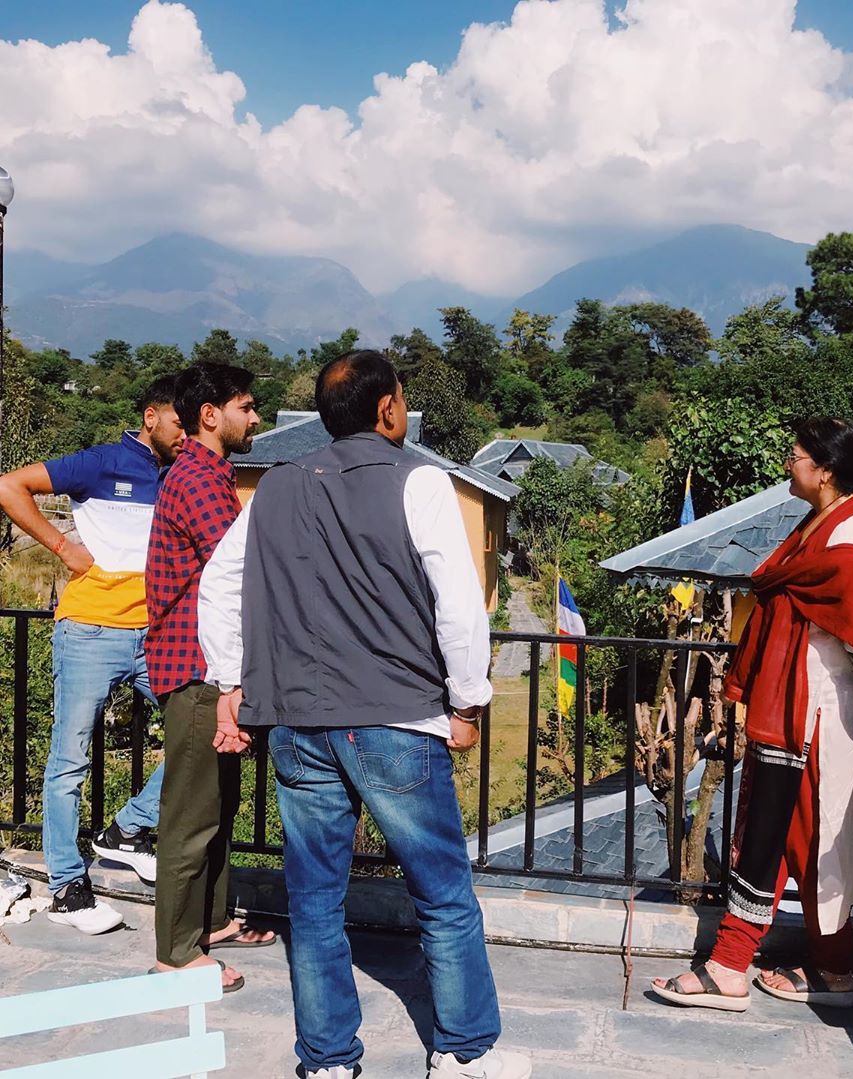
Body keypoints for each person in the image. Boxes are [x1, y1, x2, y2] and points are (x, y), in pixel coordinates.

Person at [198, 350, 531, 1079]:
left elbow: (219, 583)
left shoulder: (276, 488)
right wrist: (468, 700)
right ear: (387, 409)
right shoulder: (420, 479)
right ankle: (464, 1051)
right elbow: (459, 603)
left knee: (313, 902)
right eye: (403, 400)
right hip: (396, 716)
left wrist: (231, 680)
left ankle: (327, 1059)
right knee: (441, 894)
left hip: (297, 723)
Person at [652, 418, 853, 1011]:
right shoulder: (827, 522)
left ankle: (734, 967)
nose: (788, 464)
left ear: (825, 471)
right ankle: (828, 969)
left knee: (795, 834)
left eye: (796, 456)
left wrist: (850, 679)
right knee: (796, 834)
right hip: (800, 707)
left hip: (820, 713)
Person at [0, 377, 183, 934]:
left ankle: (128, 830)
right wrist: (63, 548)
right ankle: (65, 887)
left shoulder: (180, 474)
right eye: (178, 422)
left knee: (198, 735)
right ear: (150, 416)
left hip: (157, 635)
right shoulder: (102, 463)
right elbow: (9, 485)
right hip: (88, 633)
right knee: (69, 762)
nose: (185, 433)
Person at [145, 362, 274, 993]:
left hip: (207, 669)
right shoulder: (198, 480)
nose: (255, 419)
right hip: (197, 671)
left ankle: (213, 922)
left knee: (219, 807)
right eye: (247, 407)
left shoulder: (207, 476)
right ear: (210, 415)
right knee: (191, 814)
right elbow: (242, 569)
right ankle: (175, 952)